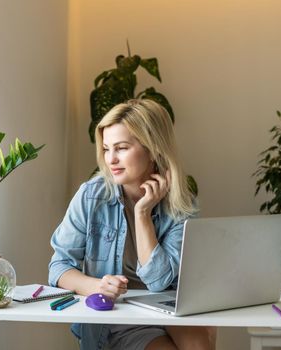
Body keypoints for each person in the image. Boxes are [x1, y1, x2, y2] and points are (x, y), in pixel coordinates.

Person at [49, 99, 216, 350]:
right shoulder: (91, 196)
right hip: (118, 315)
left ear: (153, 149)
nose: (110, 159)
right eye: (106, 149)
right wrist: (97, 286)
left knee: (200, 344)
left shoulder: (181, 204)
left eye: (122, 148)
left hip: (165, 308)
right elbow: (59, 267)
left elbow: (159, 282)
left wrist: (142, 214)